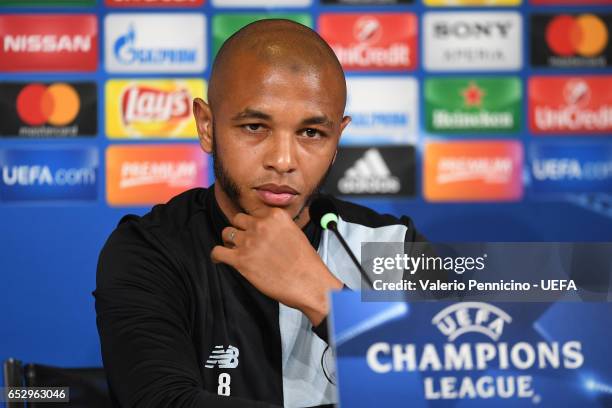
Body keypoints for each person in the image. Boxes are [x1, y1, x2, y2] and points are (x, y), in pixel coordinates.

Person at [94, 19, 426, 408]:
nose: (283, 161)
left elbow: (466, 386)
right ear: (207, 126)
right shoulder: (149, 250)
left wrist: (324, 298)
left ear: (338, 138)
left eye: (311, 133)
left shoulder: (395, 245)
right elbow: (163, 402)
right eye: (255, 127)